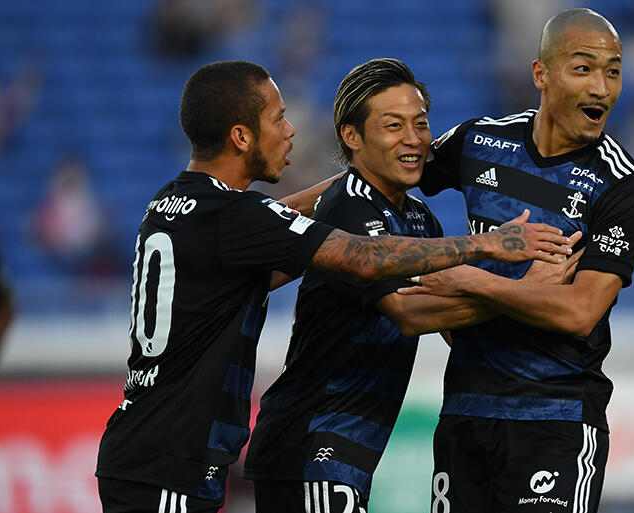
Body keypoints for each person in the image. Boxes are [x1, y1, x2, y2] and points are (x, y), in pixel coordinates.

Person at [93, 60, 572, 513]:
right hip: (206, 452)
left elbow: (286, 222)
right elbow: (366, 262)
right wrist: (494, 252)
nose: (290, 130)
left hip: (162, 447)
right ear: (241, 136)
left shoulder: (184, 205)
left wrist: (373, 166)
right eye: (278, 119)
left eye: (419, 124)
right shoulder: (237, 217)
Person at [242, 58, 583, 513]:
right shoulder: (347, 207)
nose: (413, 138)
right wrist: (524, 290)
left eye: (420, 123)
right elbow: (409, 313)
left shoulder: (420, 219)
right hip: (310, 443)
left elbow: (452, 323)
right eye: (393, 125)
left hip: (347, 452)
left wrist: (530, 303)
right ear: (351, 136)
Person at [398, 8, 634, 512]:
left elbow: (580, 311)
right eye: (583, 68)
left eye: (613, 71)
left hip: (556, 419)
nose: (601, 87)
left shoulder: (623, 186)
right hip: (465, 411)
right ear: (541, 74)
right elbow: (384, 175)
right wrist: (296, 217)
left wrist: (470, 279)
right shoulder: (479, 142)